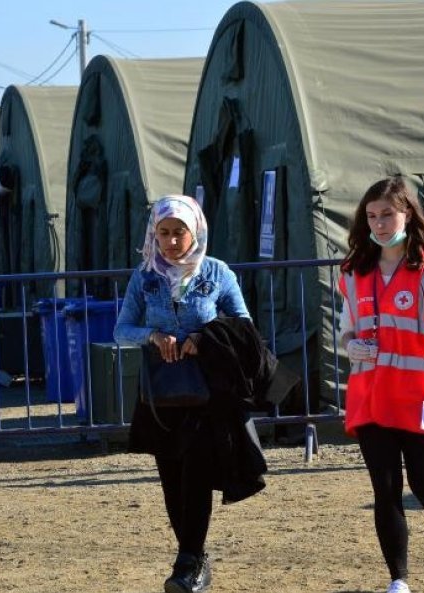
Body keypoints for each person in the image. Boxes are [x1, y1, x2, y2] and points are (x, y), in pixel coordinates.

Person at [114, 194, 268, 593]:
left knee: (197, 474)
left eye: (178, 232)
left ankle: (187, 564)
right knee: (171, 478)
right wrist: (152, 335)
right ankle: (194, 557)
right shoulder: (144, 276)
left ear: (194, 230)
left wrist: (204, 337)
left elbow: (243, 324)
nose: (170, 241)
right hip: (162, 395)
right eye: (163, 233)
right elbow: (121, 329)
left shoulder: (218, 273)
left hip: (207, 392)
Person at [338, 177, 424, 593]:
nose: (378, 223)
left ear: (408, 214)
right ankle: (399, 581)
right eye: (372, 216)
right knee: (386, 490)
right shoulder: (354, 271)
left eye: (387, 214)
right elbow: (345, 330)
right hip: (373, 397)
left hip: (421, 397)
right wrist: (351, 346)